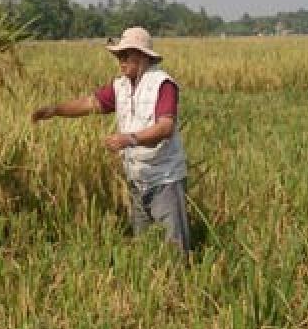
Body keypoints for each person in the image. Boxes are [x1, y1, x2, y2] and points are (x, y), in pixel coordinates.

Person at [31, 26, 192, 252]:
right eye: (118, 56)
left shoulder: (162, 84)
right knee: (145, 248)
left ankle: (179, 283)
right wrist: (55, 110)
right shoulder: (121, 86)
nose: (121, 60)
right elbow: (90, 103)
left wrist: (130, 139)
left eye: (126, 55)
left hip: (164, 178)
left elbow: (165, 127)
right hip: (137, 178)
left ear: (143, 56)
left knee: (175, 248)